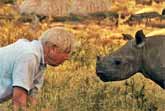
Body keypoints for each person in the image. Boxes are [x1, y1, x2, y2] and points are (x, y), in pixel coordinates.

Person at [0, 27, 75, 111]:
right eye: (66, 52)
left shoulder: (40, 61)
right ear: (53, 48)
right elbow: (19, 101)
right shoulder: (29, 55)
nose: (67, 57)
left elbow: (31, 98)